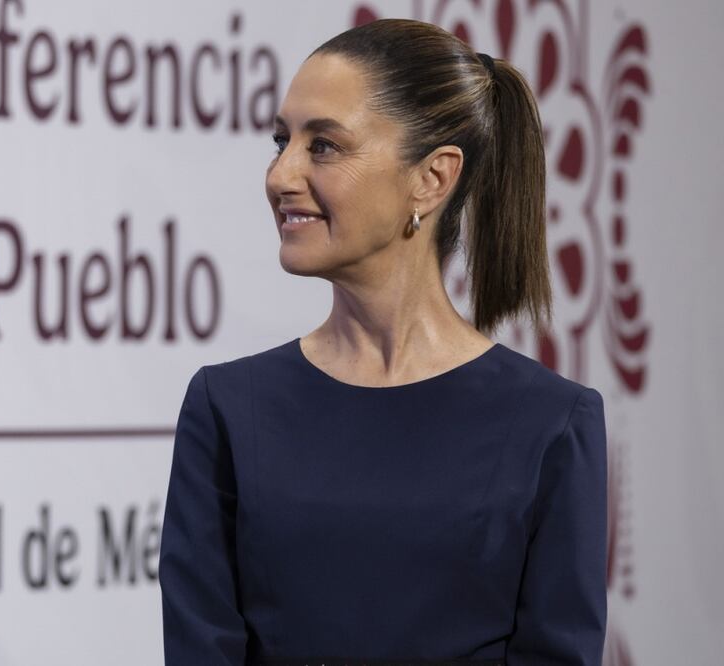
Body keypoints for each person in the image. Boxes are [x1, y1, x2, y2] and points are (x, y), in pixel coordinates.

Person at [159, 17, 607, 666]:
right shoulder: (227, 407)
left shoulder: (552, 423)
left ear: (431, 178)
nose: (280, 174)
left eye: (323, 146)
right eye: (281, 141)